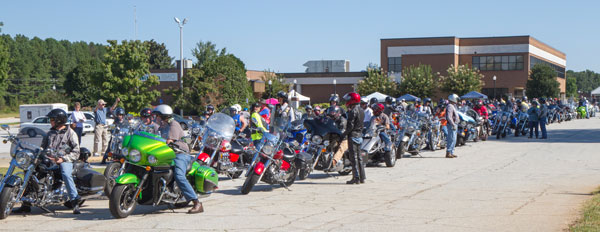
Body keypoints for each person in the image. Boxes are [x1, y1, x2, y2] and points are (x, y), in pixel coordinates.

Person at [15, 109, 82, 214]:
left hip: (64, 160)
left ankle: (74, 201)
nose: (50, 121)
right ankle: (26, 204)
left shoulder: (70, 133)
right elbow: (41, 147)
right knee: (30, 170)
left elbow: (76, 152)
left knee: (65, 172)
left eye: (52, 119)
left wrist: (63, 159)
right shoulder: (49, 133)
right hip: (48, 159)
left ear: (59, 120)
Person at [154, 104, 203, 214]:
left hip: (180, 154)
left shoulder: (173, 124)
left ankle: (196, 203)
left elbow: (170, 140)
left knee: (179, 175)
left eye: (157, 115)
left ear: (163, 116)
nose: (155, 118)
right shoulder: (162, 125)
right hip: (166, 153)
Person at [342, 92, 365, 184]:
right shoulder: (361, 110)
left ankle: (356, 178)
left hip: (353, 135)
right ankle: (362, 177)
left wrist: (343, 134)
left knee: (353, 158)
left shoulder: (352, 111)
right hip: (359, 135)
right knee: (359, 157)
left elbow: (350, 126)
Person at [327, 106, 346, 171]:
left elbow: (342, 131)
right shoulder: (329, 120)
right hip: (333, 137)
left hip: (344, 138)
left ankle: (334, 161)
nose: (331, 114)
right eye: (330, 112)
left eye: (333, 112)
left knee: (341, 148)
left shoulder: (342, 120)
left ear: (337, 113)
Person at [445, 94, 460, 158]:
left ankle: (451, 152)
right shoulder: (450, 106)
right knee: (451, 138)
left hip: (454, 124)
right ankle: (448, 152)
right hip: (452, 125)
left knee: (454, 139)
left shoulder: (453, 106)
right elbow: (449, 116)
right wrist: (453, 124)